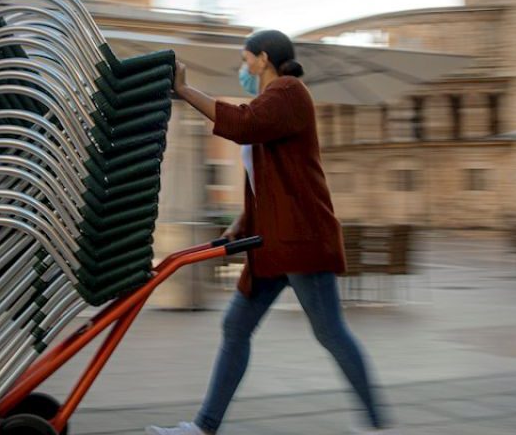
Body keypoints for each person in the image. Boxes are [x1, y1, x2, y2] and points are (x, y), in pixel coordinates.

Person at [146, 30, 388, 435]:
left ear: (262, 58)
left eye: (245, 59)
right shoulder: (268, 102)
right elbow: (265, 180)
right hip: (272, 244)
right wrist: (239, 225)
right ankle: (204, 427)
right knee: (235, 328)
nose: (243, 68)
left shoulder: (289, 92)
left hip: (301, 239)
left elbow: (244, 125)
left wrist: (185, 90)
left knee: (330, 333)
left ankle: (379, 427)